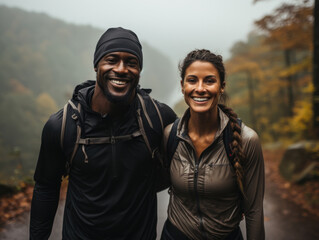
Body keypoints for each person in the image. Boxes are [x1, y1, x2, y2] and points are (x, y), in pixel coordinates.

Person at [30, 27, 176, 240]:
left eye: (131, 63)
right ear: (96, 64)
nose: (121, 69)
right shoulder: (62, 126)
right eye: (111, 59)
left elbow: (183, 171)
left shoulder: (157, 117)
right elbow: (46, 188)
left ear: (139, 70)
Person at [160, 49, 265, 240]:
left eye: (209, 80)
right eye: (192, 80)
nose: (200, 88)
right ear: (182, 86)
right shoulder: (170, 135)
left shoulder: (246, 140)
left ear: (222, 86)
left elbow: (254, 211)